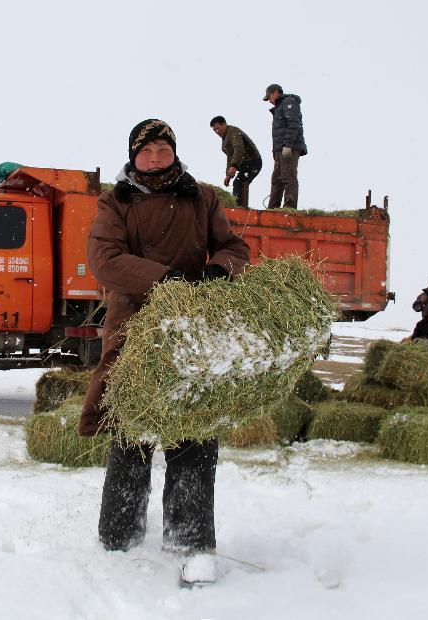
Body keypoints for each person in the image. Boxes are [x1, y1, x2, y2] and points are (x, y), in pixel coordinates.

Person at [79, 119, 251, 581]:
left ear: (174, 153)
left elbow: (234, 246)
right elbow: (104, 259)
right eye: (146, 150)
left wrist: (219, 270)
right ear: (134, 156)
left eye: (163, 148)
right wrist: (163, 280)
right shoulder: (116, 201)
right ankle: (118, 538)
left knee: (194, 429)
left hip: (193, 331)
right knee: (131, 427)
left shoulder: (203, 196)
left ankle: (189, 540)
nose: (155, 157)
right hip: (136, 326)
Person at [263, 83, 307, 210]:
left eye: (269, 97)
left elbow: (293, 123)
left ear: (275, 92)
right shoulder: (280, 107)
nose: (269, 101)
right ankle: (272, 208)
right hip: (280, 149)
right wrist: (276, 152)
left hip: (289, 147)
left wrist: (287, 145)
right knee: (277, 179)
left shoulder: (289, 102)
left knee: (288, 176)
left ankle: (289, 207)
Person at [209, 116, 262, 208]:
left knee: (240, 182)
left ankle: (239, 207)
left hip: (253, 161)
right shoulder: (225, 138)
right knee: (238, 182)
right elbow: (230, 156)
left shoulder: (233, 131)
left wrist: (233, 166)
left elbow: (239, 149)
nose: (216, 132)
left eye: (218, 128)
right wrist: (228, 175)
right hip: (244, 164)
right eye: (214, 130)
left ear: (224, 124)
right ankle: (238, 206)